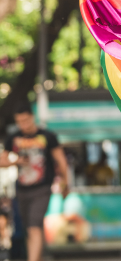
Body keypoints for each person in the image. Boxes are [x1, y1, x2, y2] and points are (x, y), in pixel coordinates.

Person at [0, 102, 69, 261]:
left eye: (25, 120)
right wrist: (15, 162)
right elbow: (1, 161)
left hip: (42, 188)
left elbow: (61, 161)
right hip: (22, 189)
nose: (23, 125)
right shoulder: (14, 138)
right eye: (19, 122)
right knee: (28, 229)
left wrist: (66, 185)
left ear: (32, 117)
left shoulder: (47, 136)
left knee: (34, 226)